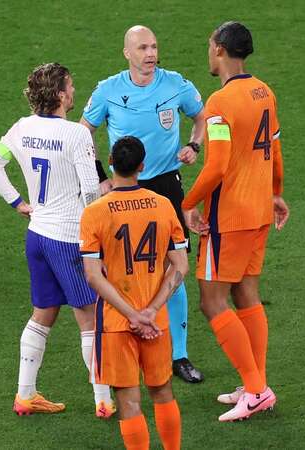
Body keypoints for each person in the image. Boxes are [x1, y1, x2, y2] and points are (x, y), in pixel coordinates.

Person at [0, 62, 115, 418]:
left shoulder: (22, 128)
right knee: (90, 316)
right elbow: (90, 189)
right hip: (69, 239)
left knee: (43, 313)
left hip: (37, 235)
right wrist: (97, 229)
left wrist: (19, 203)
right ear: (59, 95)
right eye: (70, 87)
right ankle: (103, 399)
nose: (74, 92)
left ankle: (25, 395)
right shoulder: (76, 135)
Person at [80, 25, 206, 383]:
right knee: (123, 267)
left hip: (166, 186)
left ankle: (178, 354)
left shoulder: (175, 85)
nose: (150, 54)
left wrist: (194, 145)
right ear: (127, 53)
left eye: (153, 47)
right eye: (142, 48)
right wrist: (98, 175)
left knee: (174, 267)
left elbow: (201, 117)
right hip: (124, 188)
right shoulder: (108, 91)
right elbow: (83, 132)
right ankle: (125, 341)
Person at [181, 21, 291, 422]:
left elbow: (217, 166)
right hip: (260, 210)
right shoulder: (264, 91)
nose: (208, 50)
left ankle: (257, 390)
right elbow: (275, 151)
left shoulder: (220, 102)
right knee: (247, 295)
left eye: (210, 44)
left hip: (228, 217)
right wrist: (276, 193)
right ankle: (255, 384)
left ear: (222, 51)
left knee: (213, 301)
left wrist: (187, 203)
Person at [80, 136, 188, 450]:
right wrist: (151, 311)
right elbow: (179, 266)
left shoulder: (95, 212)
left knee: (128, 401)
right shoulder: (163, 205)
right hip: (157, 322)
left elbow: (91, 275)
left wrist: (132, 315)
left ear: (111, 164)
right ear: (141, 166)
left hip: (116, 323)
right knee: (163, 392)